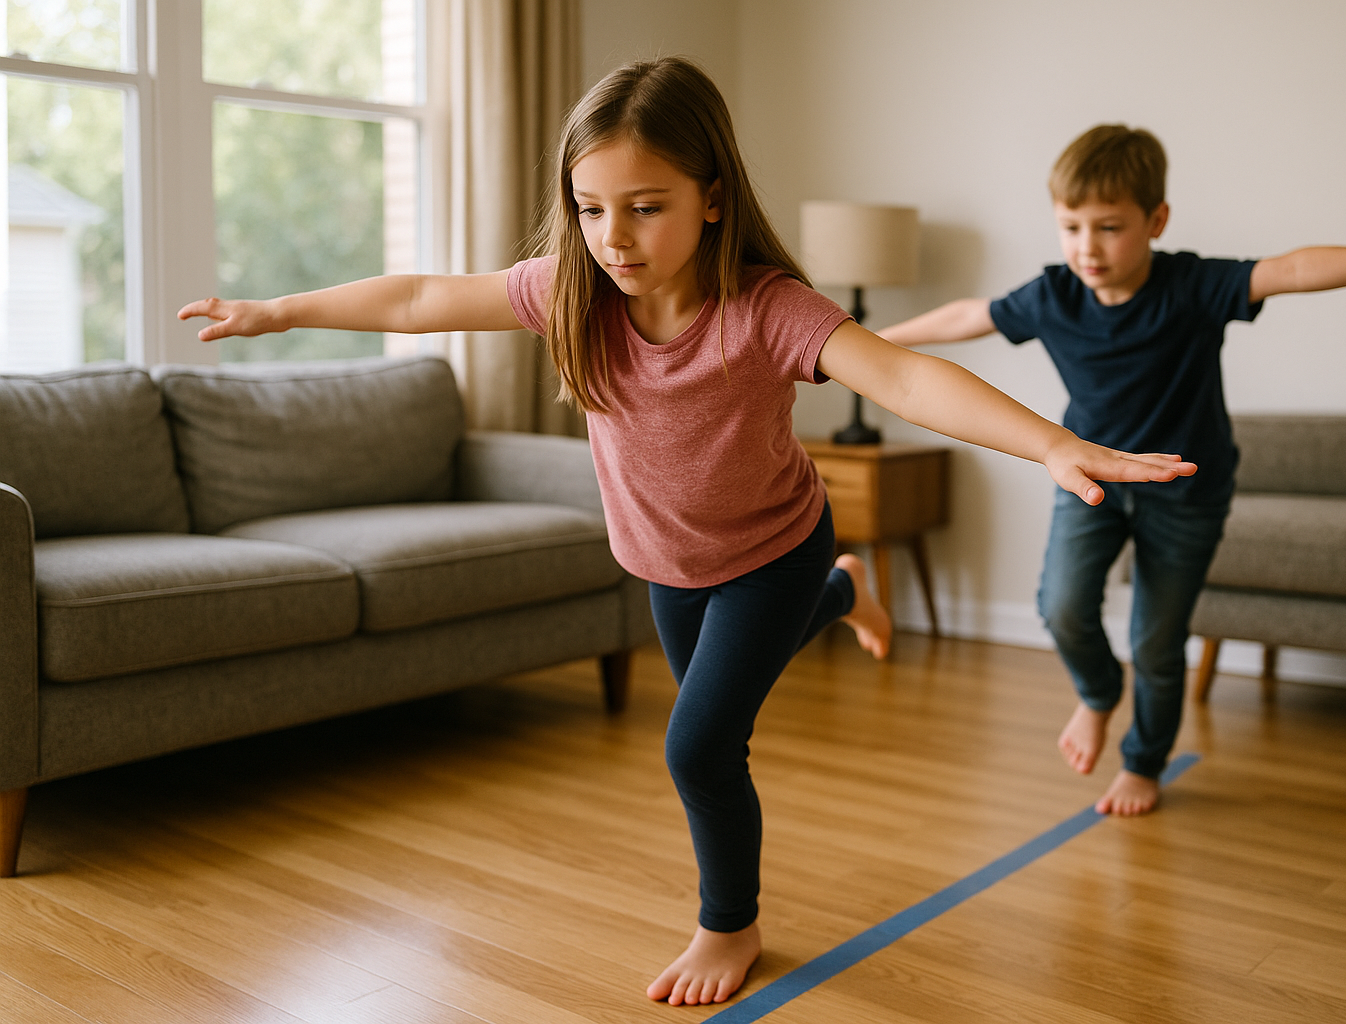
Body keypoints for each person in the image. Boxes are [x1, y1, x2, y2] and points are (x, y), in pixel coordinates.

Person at [179, 66, 1197, 1007]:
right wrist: (282, 311)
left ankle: (730, 923)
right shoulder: (570, 293)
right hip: (666, 563)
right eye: (590, 208)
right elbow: (418, 297)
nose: (612, 237)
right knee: (723, 714)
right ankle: (847, 595)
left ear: (712, 197)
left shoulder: (765, 309)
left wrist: (1053, 443)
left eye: (644, 206)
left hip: (775, 550)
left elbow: (902, 377)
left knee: (701, 746)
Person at [882, 124, 1346, 819]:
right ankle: (1098, 694)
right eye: (1071, 227)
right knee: (1060, 607)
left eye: (1110, 228)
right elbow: (968, 316)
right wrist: (871, 344)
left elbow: (1293, 269)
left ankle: (1143, 763)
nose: (1087, 247)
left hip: (1187, 493)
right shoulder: (1052, 297)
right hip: (1093, 479)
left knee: (1156, 641)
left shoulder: (1192, 285)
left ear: (1156, 220)